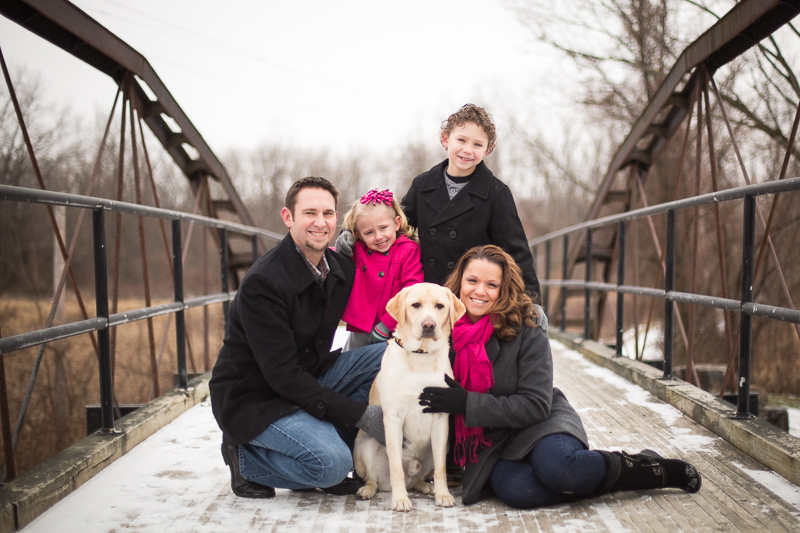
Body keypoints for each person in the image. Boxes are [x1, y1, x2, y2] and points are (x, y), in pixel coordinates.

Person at [418, 245, 702, 508]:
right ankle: (600, 477)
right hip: (494, 442)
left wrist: (468, 405)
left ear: (504, 289)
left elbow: (535, 404)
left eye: (492, 284)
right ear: (458, 284)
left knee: (562, 470)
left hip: (541, 423)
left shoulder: (527, 325)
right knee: (518, 490)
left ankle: (647, 469)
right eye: (472, 281)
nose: (480, 291)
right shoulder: (441, 331)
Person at [209, 177, 387, 499]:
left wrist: (366, 246)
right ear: (288, 218)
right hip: (256, 398)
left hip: (308, 376)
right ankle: (245, 459)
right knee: (332, 465)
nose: (320, 223)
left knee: (385, 355)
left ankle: (326, 443)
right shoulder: (263, 284)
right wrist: (360, 415)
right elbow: (283, 376)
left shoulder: (339, 268)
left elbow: (386, 270)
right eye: (310, 213)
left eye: (328, 214)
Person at [399, 104, 547, 331]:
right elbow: (398, 225)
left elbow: (516, 251)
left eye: (477, 144)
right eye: (461, 140)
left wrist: (532, 303)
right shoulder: (423, 185)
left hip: (472, 298)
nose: (468, 150)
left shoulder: (496, 193)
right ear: (445, 139)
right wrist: (356, 231)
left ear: (487, 150)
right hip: (431, 298)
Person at [336, 188, 423, 350]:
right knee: (351, 366)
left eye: (383, 228)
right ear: (359, 234)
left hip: (395, 327)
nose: (378, 237)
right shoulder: (359, 248)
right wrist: (342, 247)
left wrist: (386, 325)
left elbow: (412, 292)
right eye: (369, 232)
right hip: (361, 327)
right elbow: (336, 265)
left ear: (396, 223)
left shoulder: (408, 250)